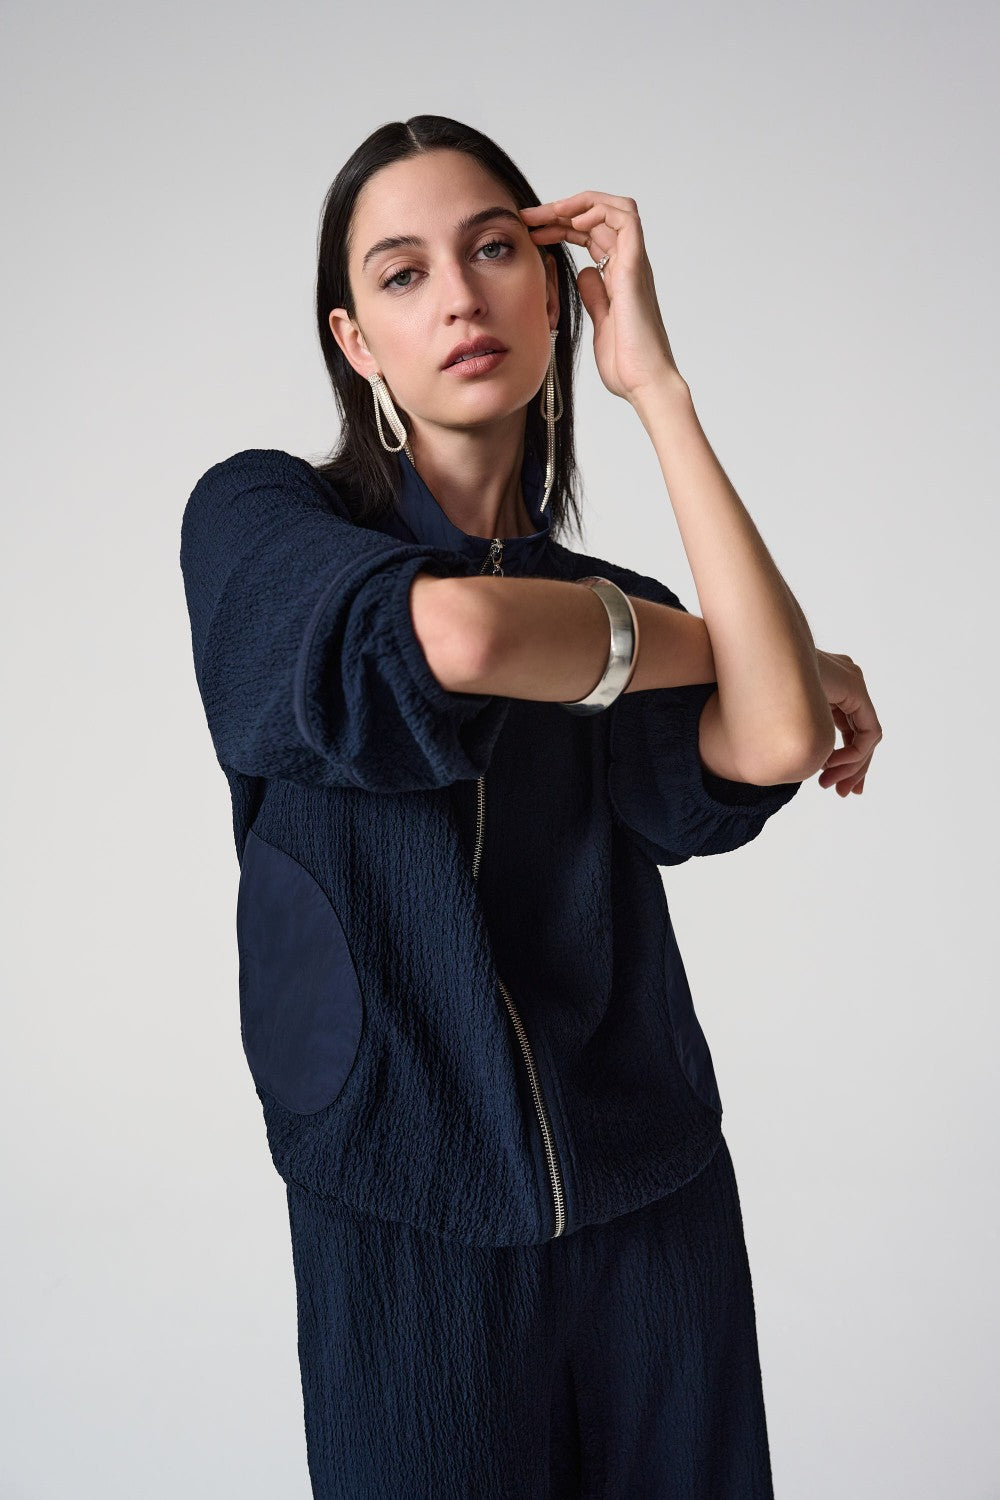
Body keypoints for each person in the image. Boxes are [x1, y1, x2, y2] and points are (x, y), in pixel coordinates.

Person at [179, 114, 880, 1500]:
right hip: (404, 1206)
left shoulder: (610, 601)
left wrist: (656, 386)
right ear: (356, 341)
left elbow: (781, 734)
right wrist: (755, 648)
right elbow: (461, 638)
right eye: (403, 273)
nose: (458, 295)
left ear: (552, 295)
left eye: (496, 250)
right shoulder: (259, 522)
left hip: (650, 1195)